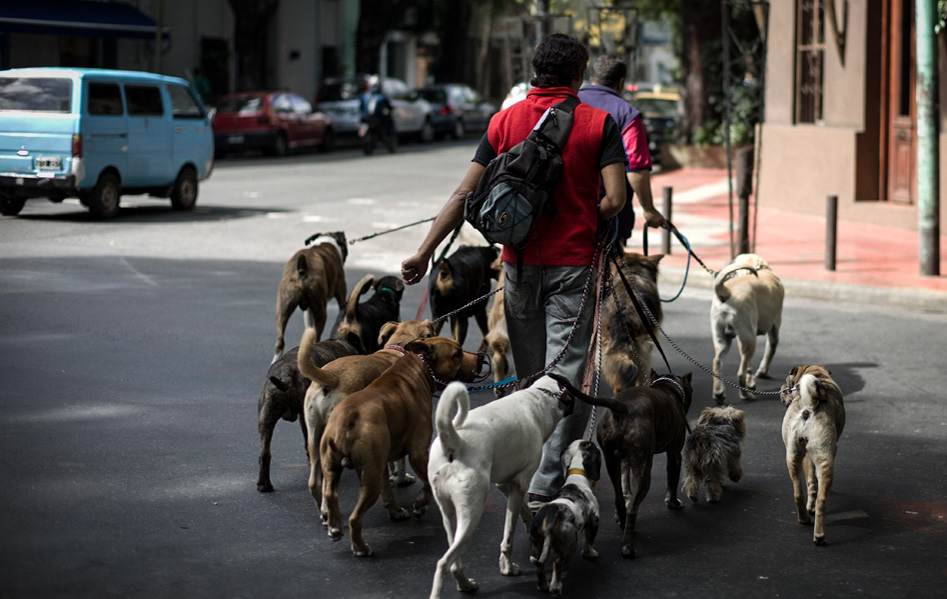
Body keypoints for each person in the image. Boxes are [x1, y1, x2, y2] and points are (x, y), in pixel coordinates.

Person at [401, 33, 627, 506]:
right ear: (578, 75)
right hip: (574, 267)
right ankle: (545, 487)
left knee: (532, 380)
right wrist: (586, 218)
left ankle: (527, 474)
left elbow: (465, 196)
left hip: (517, 267)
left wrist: (424, 252)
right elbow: (616, 200)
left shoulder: (504, 121)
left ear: (535, 71)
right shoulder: (598, 122)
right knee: (564, 380)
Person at [578, 54, 666, 245]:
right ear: (621, 82)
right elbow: (636, 168)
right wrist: (649, 210)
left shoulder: (568, 103)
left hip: (567, 214)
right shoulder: (626, 113)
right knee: (608, 273)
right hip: (609, 219)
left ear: (592, 77)